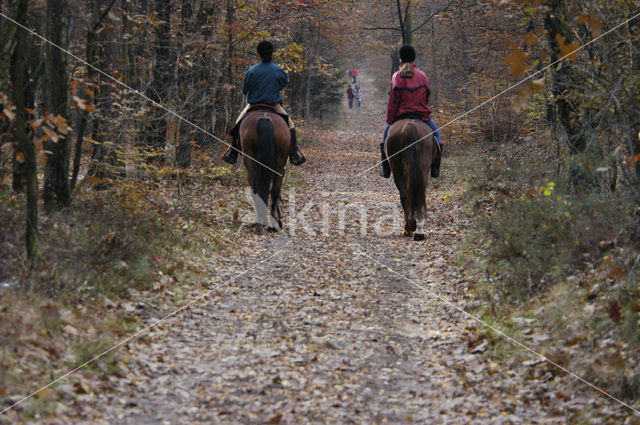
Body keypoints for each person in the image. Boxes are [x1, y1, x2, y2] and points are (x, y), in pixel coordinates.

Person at [222, 41, 305, 166]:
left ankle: (232, 153)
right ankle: (294, 155)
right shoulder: (278, 70)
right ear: (272, 53)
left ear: (258, 54)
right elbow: (284, 83)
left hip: (253, 105)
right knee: (291, 126)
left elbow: (245, 90)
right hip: (274, 105)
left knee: (238, 124)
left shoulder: (252, 71)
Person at [380, 44, 442, 179]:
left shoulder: (396, 76)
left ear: (400, 59)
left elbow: (393, 102)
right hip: (421, 116)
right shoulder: (422, 75)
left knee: (385, 138)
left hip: (400, 116)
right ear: (414, 58)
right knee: (437, 136)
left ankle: (386, 169)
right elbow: (427, 97)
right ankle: (435, 169)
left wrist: (390, 121)